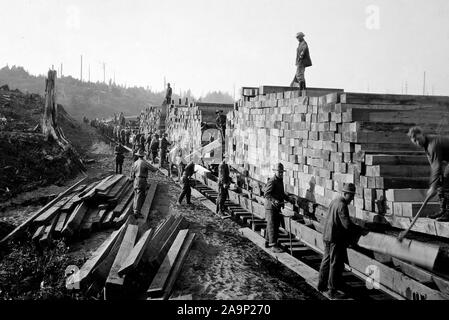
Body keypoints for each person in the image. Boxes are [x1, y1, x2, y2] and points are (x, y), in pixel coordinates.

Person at [317, 183, 364, 299]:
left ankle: (321, 285)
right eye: (351, 196)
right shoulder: (342, 205)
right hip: (334, 238)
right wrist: (359, 229)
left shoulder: (335, 201)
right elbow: (347, 225)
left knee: (326, 261)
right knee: (335, 264)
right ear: (346, 194)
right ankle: (332, 291)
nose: (352, 199)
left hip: (327, 236)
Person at [408, 126, 449, 221]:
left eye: (418, 139)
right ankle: (443, 210)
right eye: (415, 141)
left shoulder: (432, 144)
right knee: (441, 180)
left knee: (447, 181)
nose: (417, 142)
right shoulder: (426, 146)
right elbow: (434, 166)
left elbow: (436, 166)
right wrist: (436, 183)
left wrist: (432, 186)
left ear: (422, 135)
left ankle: (448, 213)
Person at [264, 163, 292, 253]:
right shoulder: (272, 181)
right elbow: (266, 194)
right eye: (279, 172)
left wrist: (288, 199)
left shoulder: (280, 181)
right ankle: (273, 246)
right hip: (271, 207)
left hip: (276, 207)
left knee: (273, 224)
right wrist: (274, 200)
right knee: (273, 225)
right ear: (275, 172)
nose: (280, 173)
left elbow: (282, 194)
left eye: (281, 172)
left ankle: (268, 242)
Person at [130, 149, 157, 219]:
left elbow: (132, 173)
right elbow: (153, 169)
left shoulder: (135, 162)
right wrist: (156, 167)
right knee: (140, 196)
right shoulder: (144, 162)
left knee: (136, 195)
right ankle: (137, 212)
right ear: (143, 156)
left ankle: (135, 210)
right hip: (141, 180)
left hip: (136, 180)